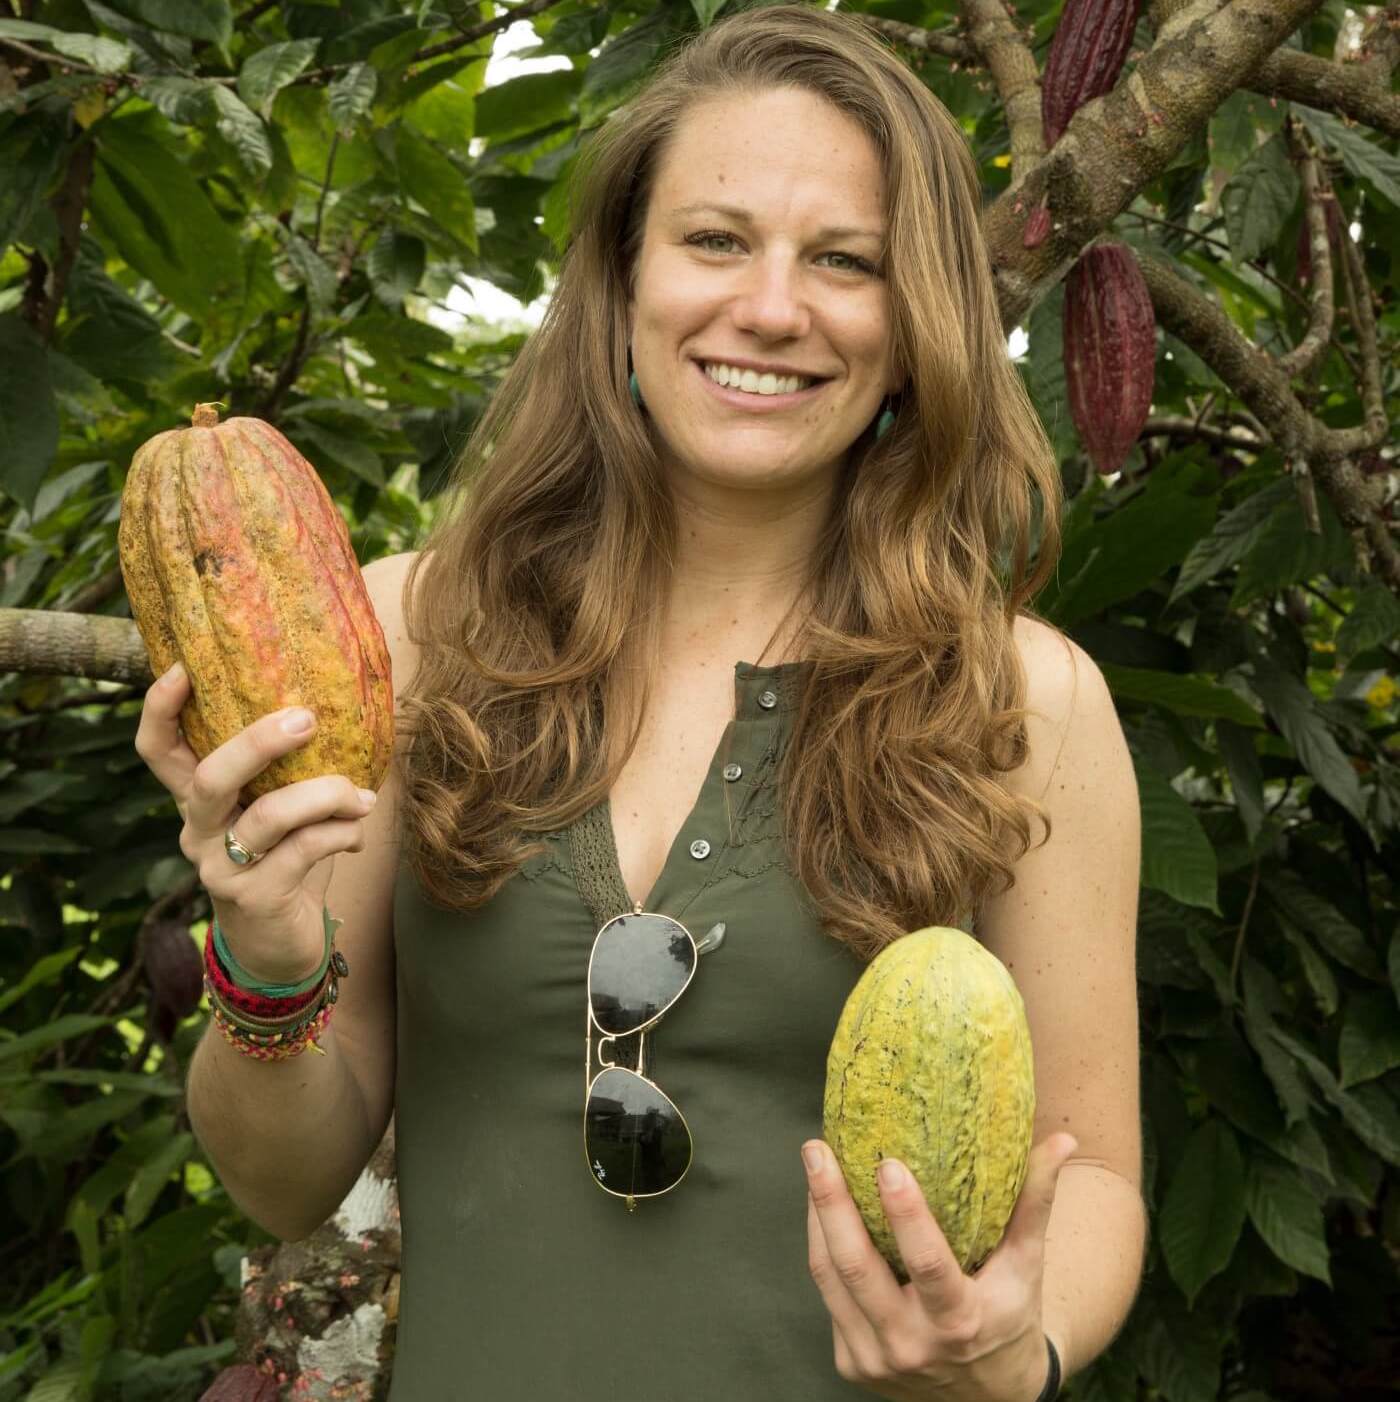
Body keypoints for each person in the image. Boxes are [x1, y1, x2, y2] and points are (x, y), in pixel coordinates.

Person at [138, 5, 1146, 1398]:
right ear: (620, 280)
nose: (773, 307)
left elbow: (1093, 1171)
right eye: (715, 239)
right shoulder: (410, 637)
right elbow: (285, 1177)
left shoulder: (1028, 701)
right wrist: (259, 948)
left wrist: (1005, 1354)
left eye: (843, 261)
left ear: (914, 325)